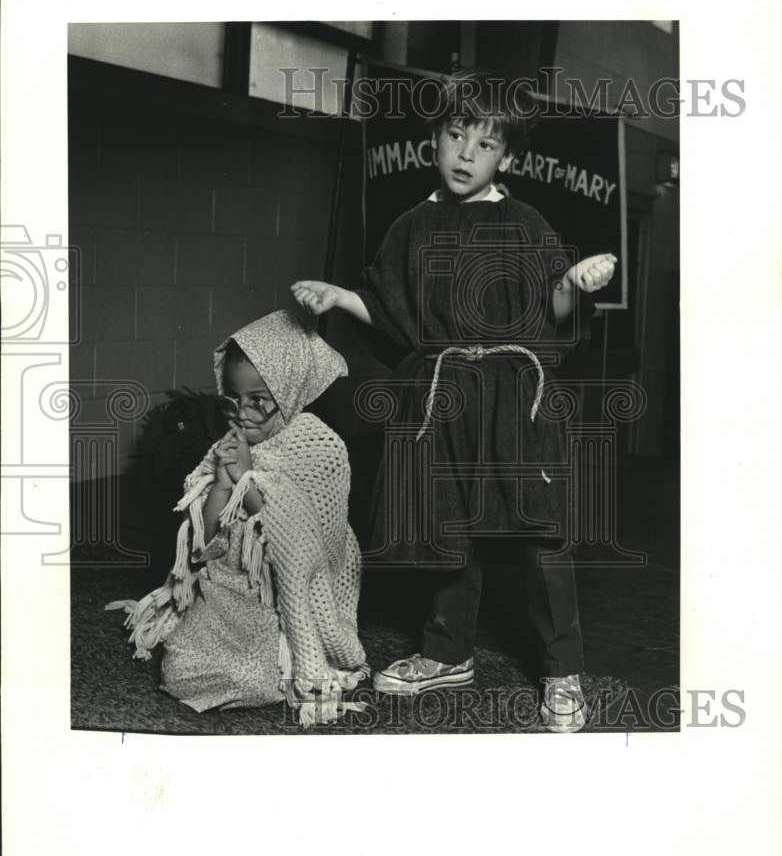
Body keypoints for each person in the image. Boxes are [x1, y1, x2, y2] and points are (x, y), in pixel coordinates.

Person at [291, 70, 617, 733]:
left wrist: (575, 284)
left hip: (515, 395)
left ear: (509, 157)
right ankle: (448, 652)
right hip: (442, 396)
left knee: (541, 533)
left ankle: (563, 669)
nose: (466, 153)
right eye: (455, 135)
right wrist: (339, 296)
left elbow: (553, 309)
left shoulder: (526, 221)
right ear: (434, 140)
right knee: (449, 522)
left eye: (485, 144)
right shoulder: (412, 225)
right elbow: (392, 316)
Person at [107, 310, 369, 726]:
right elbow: (202, 540)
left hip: (278, 604)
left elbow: (304, 542)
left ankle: (276, 673)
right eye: (233, 397)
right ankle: (236, 670)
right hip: (225, 596)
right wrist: (223, 487)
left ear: (289, 391)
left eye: (259, 401)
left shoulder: (319, 446)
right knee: (178, 669)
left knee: (264, 677)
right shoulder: (226, 444)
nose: (243, 413)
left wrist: (247, 482)